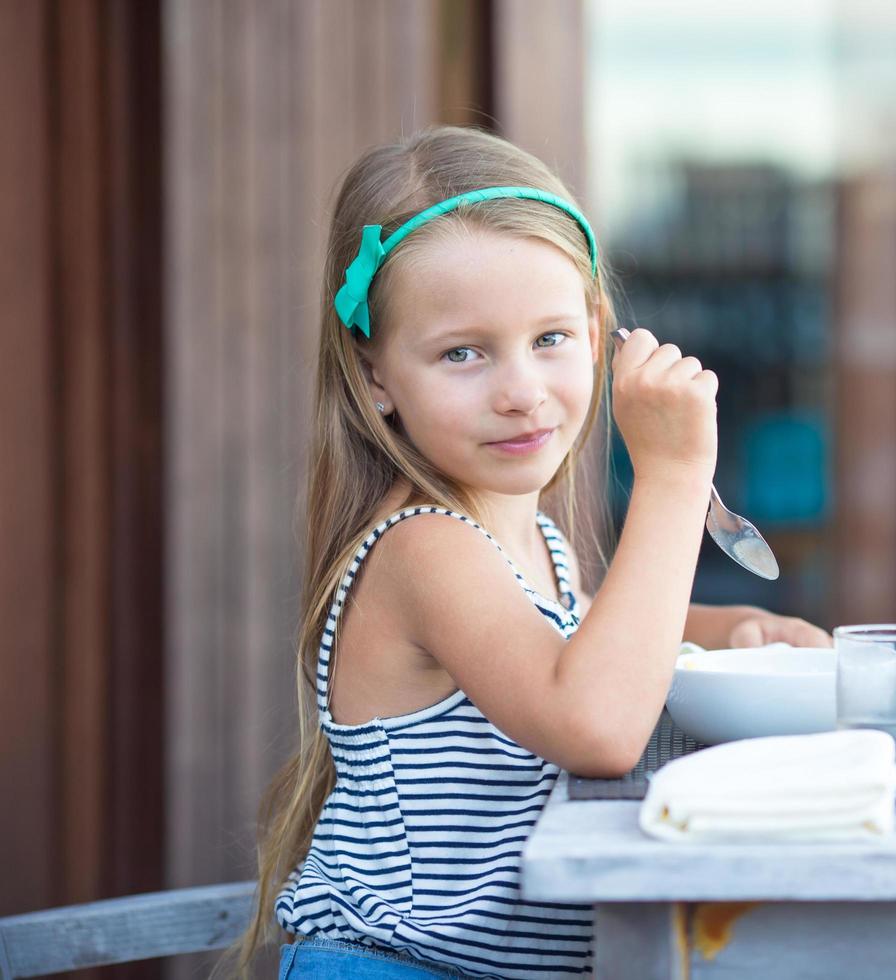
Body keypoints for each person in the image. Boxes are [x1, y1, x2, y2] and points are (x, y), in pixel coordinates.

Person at [231, 125, 829, 979]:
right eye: (463, 354)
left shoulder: (526, 538)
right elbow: (594, 722)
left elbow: (581, 637)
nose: (520, 392)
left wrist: (729, 627)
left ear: (597, 334)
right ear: (374, 379)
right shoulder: (423, 548)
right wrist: (672, 475)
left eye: (549, 338)